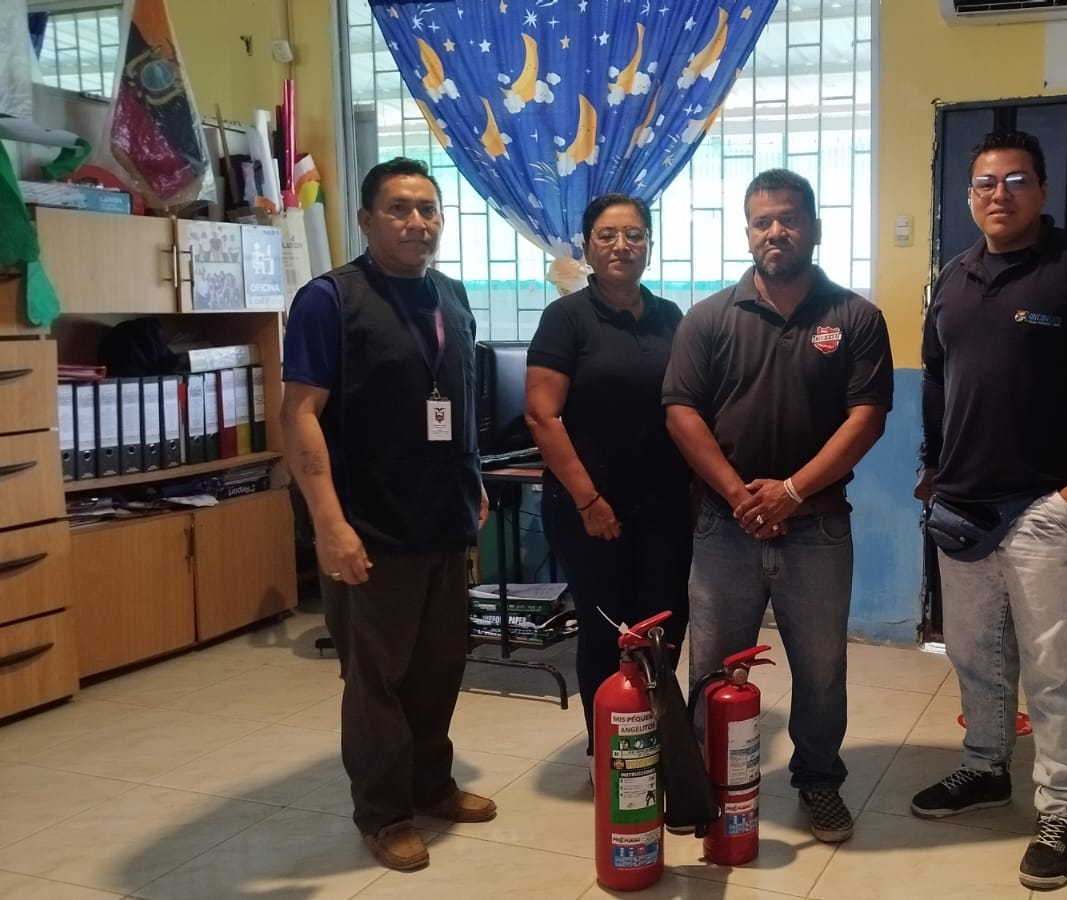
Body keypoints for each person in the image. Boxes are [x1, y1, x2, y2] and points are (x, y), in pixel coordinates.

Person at [913, 131, 1067, 891]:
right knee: (974, 656)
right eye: (985, 182)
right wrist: (931, 465)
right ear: (969, 196)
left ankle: (1063, 807)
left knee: (1056, 670)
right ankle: (986, 768)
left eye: (1016, 180)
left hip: (1047, 505)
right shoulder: (954, 278)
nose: (999, 194)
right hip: (961, 506)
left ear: (1042, 191)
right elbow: (937, 378)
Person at [662, 169, 893, 844]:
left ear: (813, 228)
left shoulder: (854, 317)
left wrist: (790, 493)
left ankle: (818, 781)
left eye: (789, 218)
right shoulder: (709, 318)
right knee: (712, 666)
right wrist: (742, 496)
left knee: (820, 671)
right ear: (747, 232)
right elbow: (680, 413)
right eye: (762, 221)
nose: (776, 231)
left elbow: (867, 419)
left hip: (817, 529)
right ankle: (705, 785)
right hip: (724, 528)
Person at [281, 157, 496, 872]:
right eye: (399, 208)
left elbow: (457, 399)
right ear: (367, 219)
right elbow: (299, 415)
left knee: (439, 667)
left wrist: (472, 480)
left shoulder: (451, 296)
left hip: (443, 519)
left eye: (429, 209)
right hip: (369, 527)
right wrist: (329, 524)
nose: (417, 222)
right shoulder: (329, 301)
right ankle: (383, 812)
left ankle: (431, 784)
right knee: (377, 680)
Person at [524, 193, 692, 761]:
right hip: (589, 509)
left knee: (664, 625)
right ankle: (613, 755)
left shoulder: (670, 316)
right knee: (607, 632)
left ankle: (658, 742)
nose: (622, 245)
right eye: (607, 235)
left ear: (649, 244)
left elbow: (686, 406)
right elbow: (541, 416)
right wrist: (589, 500)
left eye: (634, 235)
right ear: (588, 246)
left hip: (664, 507)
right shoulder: (566, 318)